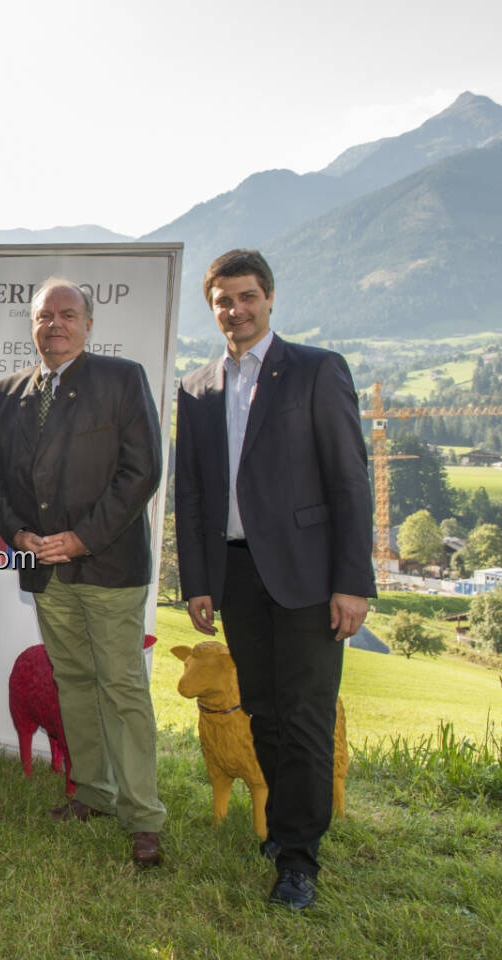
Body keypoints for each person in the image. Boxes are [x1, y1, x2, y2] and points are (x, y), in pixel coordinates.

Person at [175, 249, 374, 909]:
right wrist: (198, 581)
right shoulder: (198, 387)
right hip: (235, 575)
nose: (236, 309)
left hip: (310, 577)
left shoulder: (317, 371)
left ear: (269, 298)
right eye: (224, 301)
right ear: (213, 309)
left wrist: (353, 581)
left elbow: (350, 480)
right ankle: (286, 826)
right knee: (260, 709)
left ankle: (297, 858)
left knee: (308, 716)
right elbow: (195, 493)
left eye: (247, 296)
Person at [0, 278, 165, 867]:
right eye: (43, 317)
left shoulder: (121, 380)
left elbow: (142, 472)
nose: (54, 325)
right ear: (31, 326)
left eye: (67, 315)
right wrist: (19, 535)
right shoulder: (6, 393)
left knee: (123, 688)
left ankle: (143, 816)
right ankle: (93, 791)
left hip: (109, 565)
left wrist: (82, 538)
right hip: (44, 570)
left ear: (88, 325)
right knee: (75, 681)